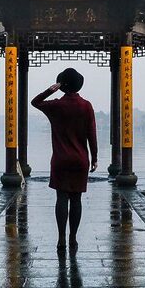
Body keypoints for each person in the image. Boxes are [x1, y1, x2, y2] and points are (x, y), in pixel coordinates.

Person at [31, 67, 98, 251]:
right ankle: (73, 238)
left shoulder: (55, 106)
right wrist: (95, 157)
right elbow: (92, 134)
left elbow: (35, 102)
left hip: (60, 160)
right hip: (80, 160)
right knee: (76, 200)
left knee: (61, 198)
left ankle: (61, 237)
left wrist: (50, 90)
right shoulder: (86, 106)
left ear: (62, 85)